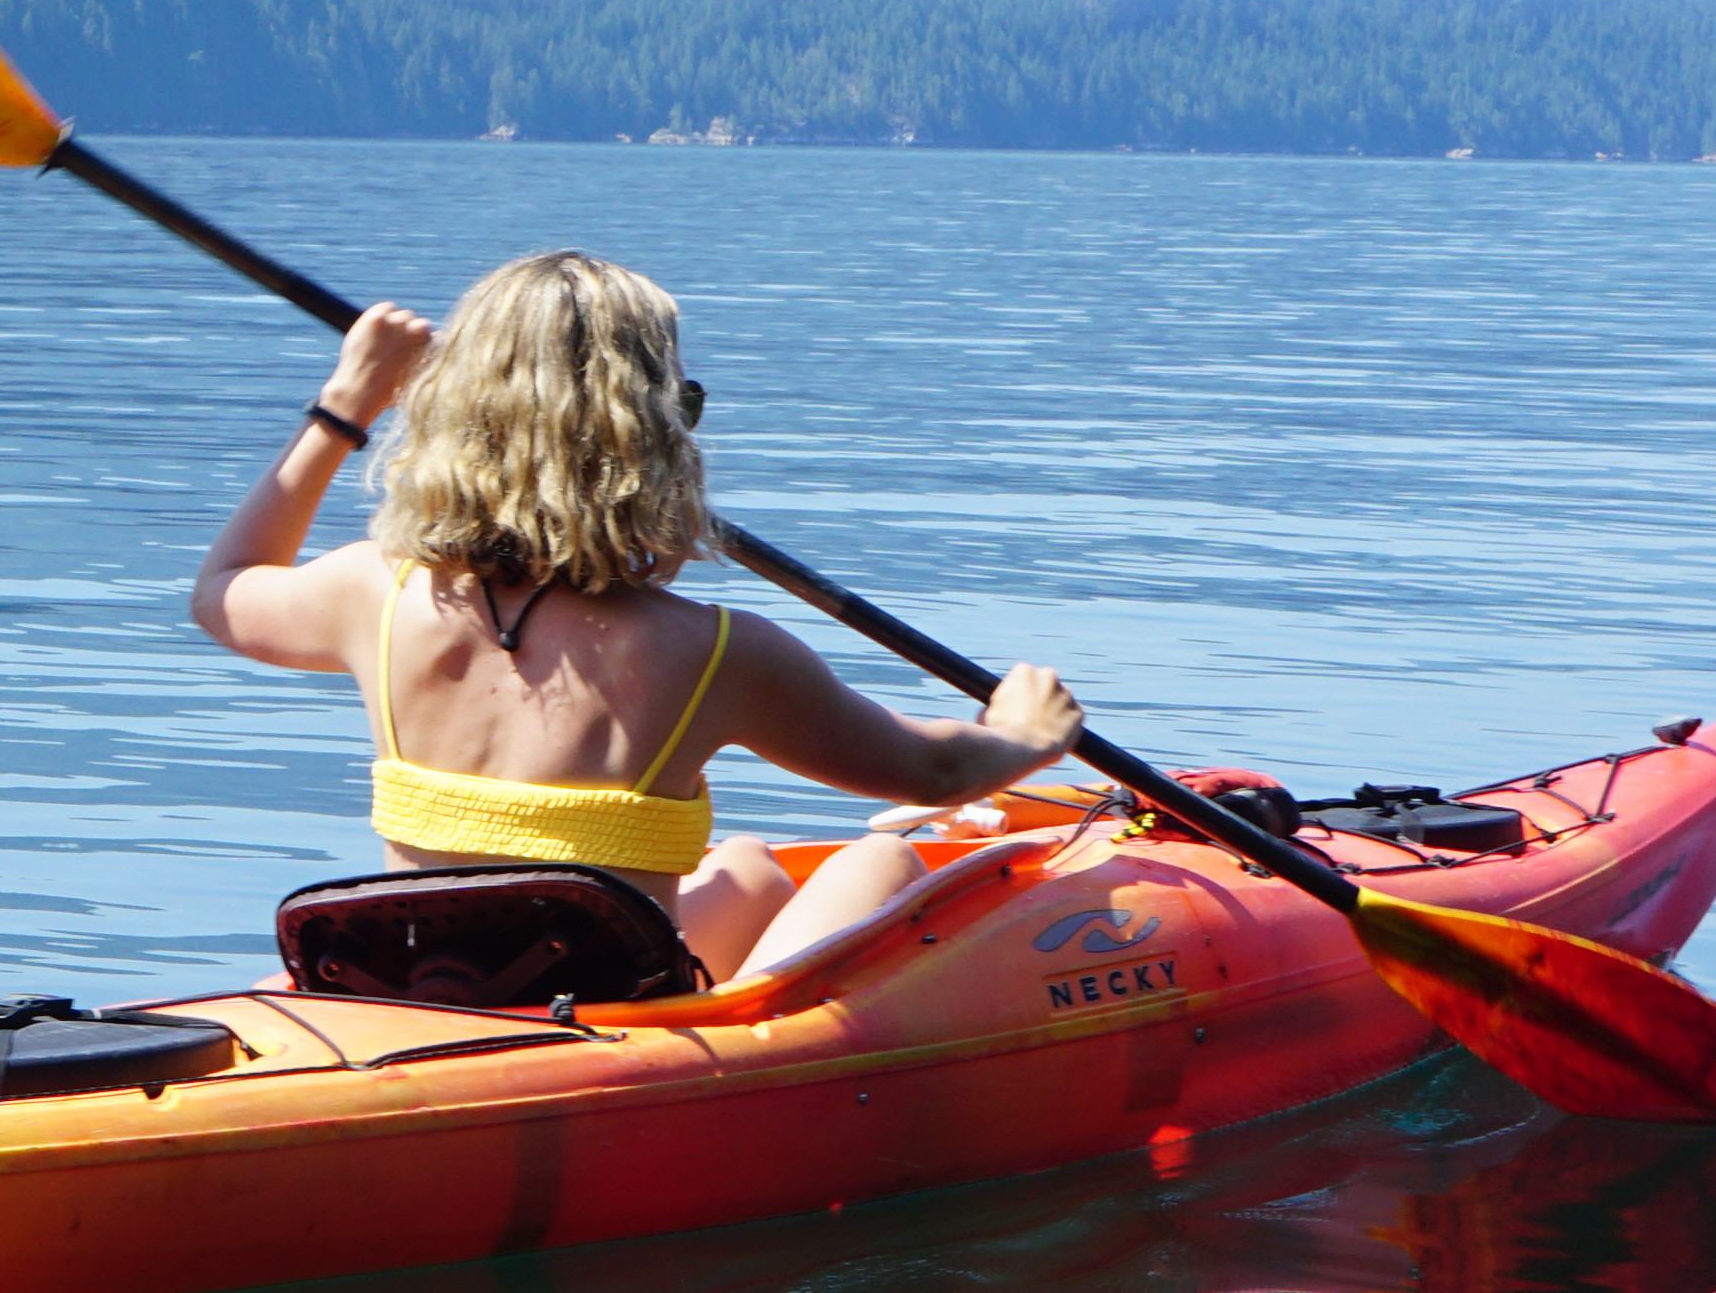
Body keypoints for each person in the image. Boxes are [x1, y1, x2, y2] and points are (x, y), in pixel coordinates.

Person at [193, 249, 1086, 978]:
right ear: (653, 442)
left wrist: (343, 407)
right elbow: (930, 774)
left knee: (744, 868)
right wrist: (1021, 736)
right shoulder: (712, 651)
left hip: (429, 987)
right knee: (882, 860)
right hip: (607, 1012)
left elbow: (225, 589)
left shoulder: (373, 592)